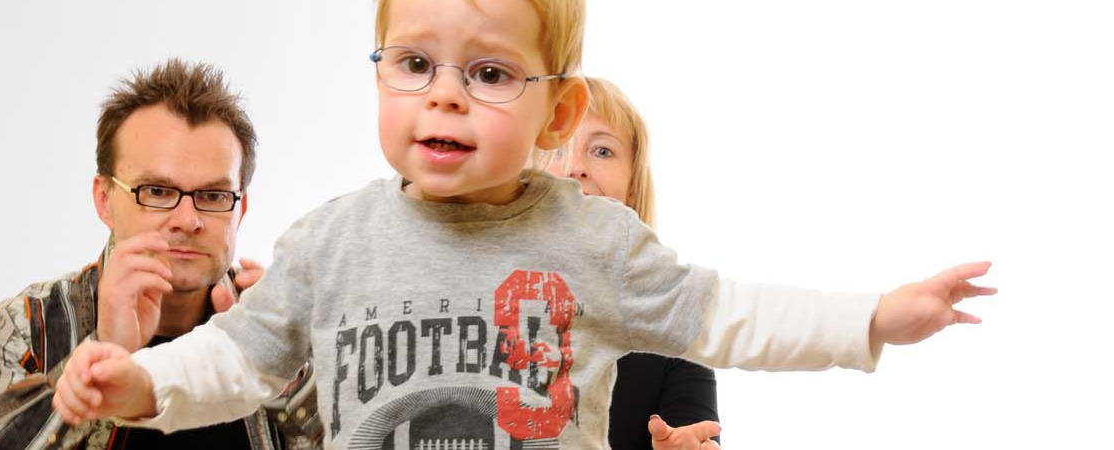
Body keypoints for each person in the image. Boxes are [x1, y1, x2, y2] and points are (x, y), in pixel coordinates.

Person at [50, 1, 996, 449]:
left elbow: (729, 316)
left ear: (555, 112)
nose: (446, 99)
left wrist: (871, 317)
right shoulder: (327, 242)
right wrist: (140, 380)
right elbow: (236, 359)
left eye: (490, 74)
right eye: (414, 64)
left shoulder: (594, 242)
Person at [0, 59, 321, 449]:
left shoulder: (300, 337)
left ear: (240, 210)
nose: (187, 218)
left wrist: (283, 369)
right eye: (158, 192)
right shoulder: (21, 331)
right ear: (104, 200)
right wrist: (99, 360)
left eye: (213, 195)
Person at [548, 77, 719, 449]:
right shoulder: (468, 307)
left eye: (603, 151)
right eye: (556, 148)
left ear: (631, 187)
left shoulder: (673, 327)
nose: (576, 167)